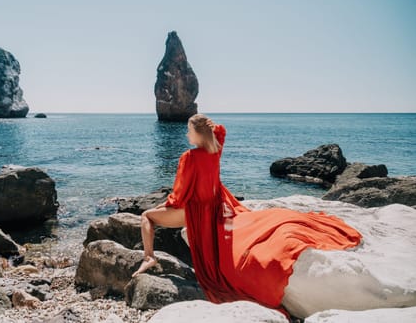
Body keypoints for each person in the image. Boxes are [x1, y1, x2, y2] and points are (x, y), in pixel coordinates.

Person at [132, 113, 362, 314]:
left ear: (198, 133)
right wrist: (215, 126)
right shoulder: (214, 151)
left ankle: (149, 257)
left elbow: (179, 193)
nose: (187, 134)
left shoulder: (189, 157)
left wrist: (167, 204)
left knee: (147, 217)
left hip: (196, 212)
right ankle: (150, 256)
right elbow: (221, 134)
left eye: (189, 130)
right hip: (216, 206)